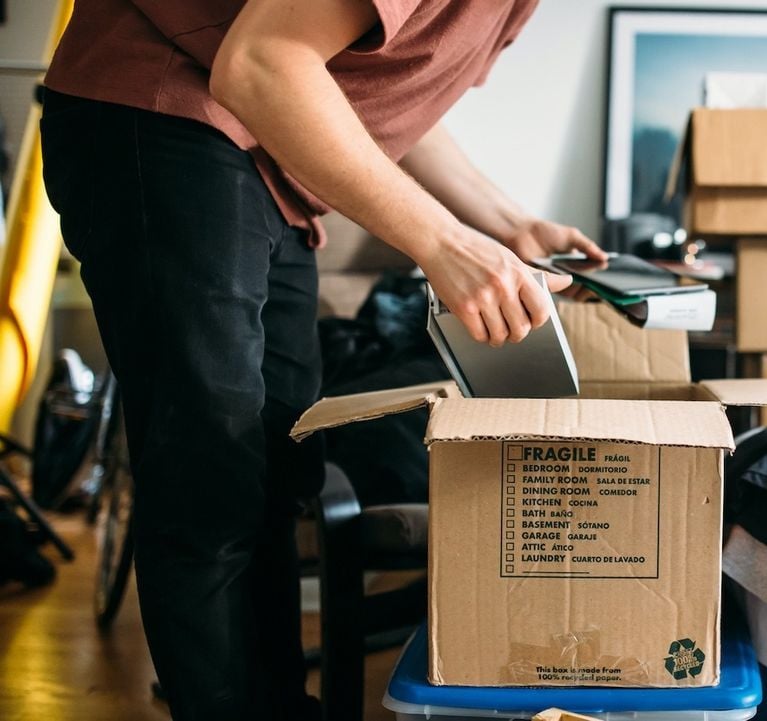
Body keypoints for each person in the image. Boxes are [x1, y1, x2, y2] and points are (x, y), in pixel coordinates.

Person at [39, 1, 605, 719]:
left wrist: (508, 222)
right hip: (170, 110)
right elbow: (262, 62)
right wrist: (444, 242)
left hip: (267, 164)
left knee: (280, 466)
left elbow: (385, 99)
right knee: (210, 475)